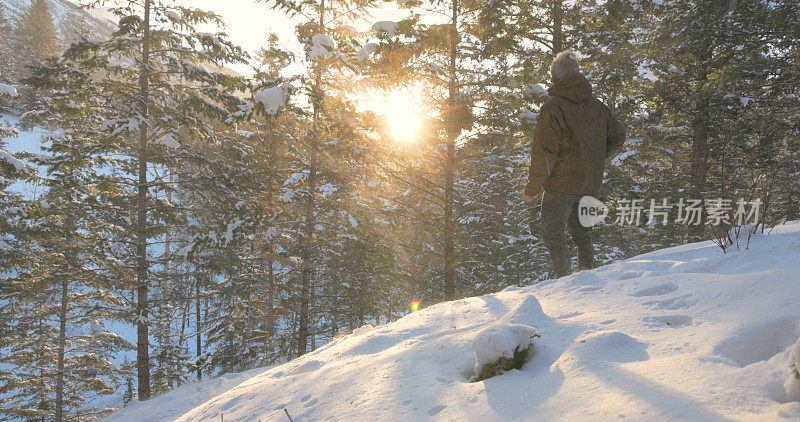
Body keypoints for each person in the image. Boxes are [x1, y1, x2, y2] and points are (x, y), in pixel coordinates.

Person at [523, 51, 625, 278]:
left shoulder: (554, 108)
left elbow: (545, 152)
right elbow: (619, 136)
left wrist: (533, 187)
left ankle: (564, 281)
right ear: (578, 75)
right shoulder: (598, 107)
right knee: (582, 232)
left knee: (553, 231)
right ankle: (586, 276)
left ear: (554, 78)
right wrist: (596, 158)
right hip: (589, 182)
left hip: (561, 185)